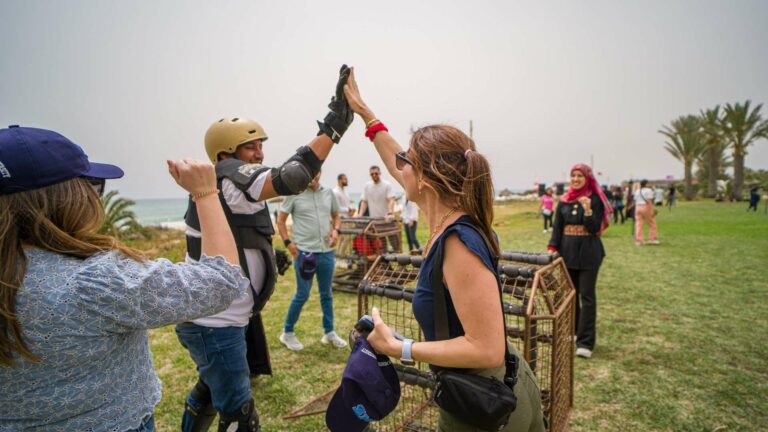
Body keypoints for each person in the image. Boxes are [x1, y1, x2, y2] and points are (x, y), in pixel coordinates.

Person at [0, 125, 248, 432]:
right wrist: (206, 193)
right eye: (93, 186)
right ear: (67, 199)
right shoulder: (92, 281)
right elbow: (220, 282)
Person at [343, 69, 545, 432]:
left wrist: (401, 348)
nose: (398, 167)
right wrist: (365, 113)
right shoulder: (449, 215)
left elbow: (486, 349)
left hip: (484, 402)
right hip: (494, 387)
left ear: (425, 178)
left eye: (407, 161)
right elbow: (395, 160)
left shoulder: (457, 243)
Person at [177, 65, 354, 431]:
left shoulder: (224, 186)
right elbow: (292, 177)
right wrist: (334, 126)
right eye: (251, 146)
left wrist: (264, 256)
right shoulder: (229, 174)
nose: (259, 153)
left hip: (219, 317)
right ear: (225, 153)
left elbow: (231, 234)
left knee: (209, 391)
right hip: (217, 322)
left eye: (261, 146)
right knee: (240, 417)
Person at [276, 170, 347, 351]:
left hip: (326, 252)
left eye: (316, 172)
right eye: (310, 173)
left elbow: (336, 216)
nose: (313, 177)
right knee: (302, 294)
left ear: (320, 172)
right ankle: (287, 332)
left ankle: (329, 332)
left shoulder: (328, 193)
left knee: (327, 294)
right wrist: (288, 243)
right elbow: (281, 221)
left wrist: (336, 230)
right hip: (304, 253)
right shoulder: (294, 193)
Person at [547, 164, 611, 359]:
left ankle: (585, 342)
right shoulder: (564, 200)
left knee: (587, 297)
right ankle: (573, 332)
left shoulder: (595, 199)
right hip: (567, 253)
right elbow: (557, 227)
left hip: (589, 253)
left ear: (587, 178)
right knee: (570, 295)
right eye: (573, 175)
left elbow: (594, 228)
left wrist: (588, 209)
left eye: (579, 176)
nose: (575, 179)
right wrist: (552, 247)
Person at [633, 179, 659, 245]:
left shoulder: (637, 191)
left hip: (638, 207)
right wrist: (652, 210)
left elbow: (635, 200)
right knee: (652, 223)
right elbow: (649, 201)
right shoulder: (649, 190)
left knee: (638, 224)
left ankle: (639, 240)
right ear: (646, 184)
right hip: (645, 206)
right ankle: (652, 239)